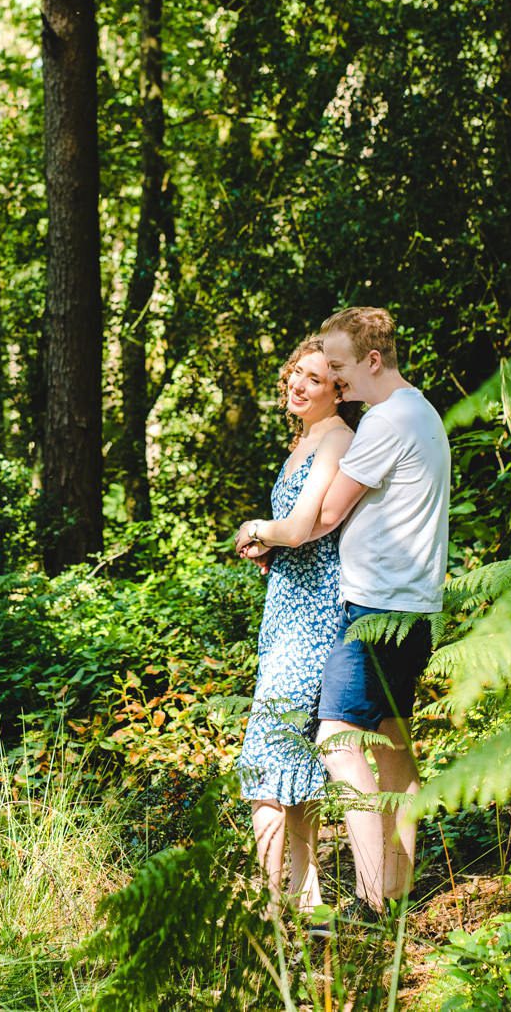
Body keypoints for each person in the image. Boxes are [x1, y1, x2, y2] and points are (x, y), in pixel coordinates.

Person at [238, 306, 448, 913]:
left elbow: (322, 519)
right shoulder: (422, 412)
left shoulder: (384, 422)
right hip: (410, 607)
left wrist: (261, 531)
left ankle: (373, 898)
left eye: (337, 367)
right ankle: (396, 889)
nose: (333, 377)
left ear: (371, 361)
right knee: (392, 750)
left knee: (335, 738)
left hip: (373, 609)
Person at [231, 338, 352, 912]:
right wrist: (268, 550)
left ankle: (267, 905)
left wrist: (258, 528)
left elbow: (302, 526)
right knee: (293, 757)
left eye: (314, 379)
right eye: (295, 375)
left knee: (269, 745)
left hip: (315, 614)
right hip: (286, 604)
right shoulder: (304, 439)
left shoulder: (337, 439)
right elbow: (298, 539)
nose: (298, 386)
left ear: (339, 389)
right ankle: (308, 903)